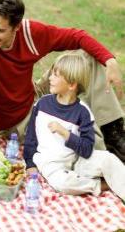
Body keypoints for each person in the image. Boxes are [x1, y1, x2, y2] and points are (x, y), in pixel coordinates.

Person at [0, 0, 125, 161]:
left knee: (88, 57)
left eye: (0, 30)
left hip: (33, 94)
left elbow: (76, 36)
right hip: (18, 121)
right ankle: (99, 157)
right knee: (68, 132)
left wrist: (110, 60)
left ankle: (113, 133)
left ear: (16, 28)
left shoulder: (29, 34)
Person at [23, 52, 125, 200]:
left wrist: (66, 134)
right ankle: (100, 185)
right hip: (50, 164)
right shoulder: (42, 105)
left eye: (56, 75)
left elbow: (87, 149)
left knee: (108, 159)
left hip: (78, 161)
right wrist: (30, 164)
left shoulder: (83, 112)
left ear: (71, 85)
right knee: (63, 184)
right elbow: (30, 139)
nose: (49, 78)